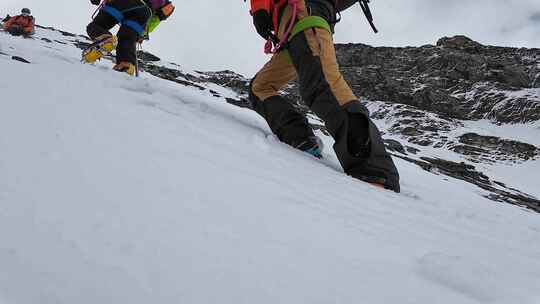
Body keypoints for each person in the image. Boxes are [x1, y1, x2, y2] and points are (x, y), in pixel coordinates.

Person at [247, 0, 400, 192]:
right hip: (290, 32)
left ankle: (375, 170)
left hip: (303, 13)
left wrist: (260, 10)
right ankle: (300, 138)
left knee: (323, 84)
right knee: (259, 87)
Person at [83, 0, 175, 75]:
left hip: (120, 3)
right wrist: (142, 32)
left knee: (96, 26)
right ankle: (125, 66)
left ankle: (106, 40)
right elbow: (164, 11)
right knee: (126, 39)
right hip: (144, 12)